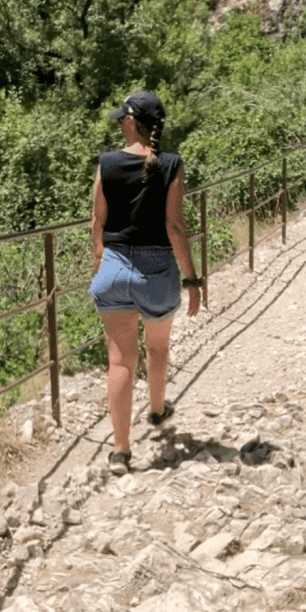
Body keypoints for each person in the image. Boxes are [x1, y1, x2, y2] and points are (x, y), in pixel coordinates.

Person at [89, 91, 202, 475]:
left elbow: (97, 223)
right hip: (157, 272)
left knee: (120, 360)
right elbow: (174, 225)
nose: (120, 123)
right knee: (157, 347)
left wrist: (103, 264)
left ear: (131, 123)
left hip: (114, 268)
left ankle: (121, 451)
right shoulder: (170, 165)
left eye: (123, 118)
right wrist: (192, 279)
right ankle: (156, 410)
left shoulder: (105, 163)